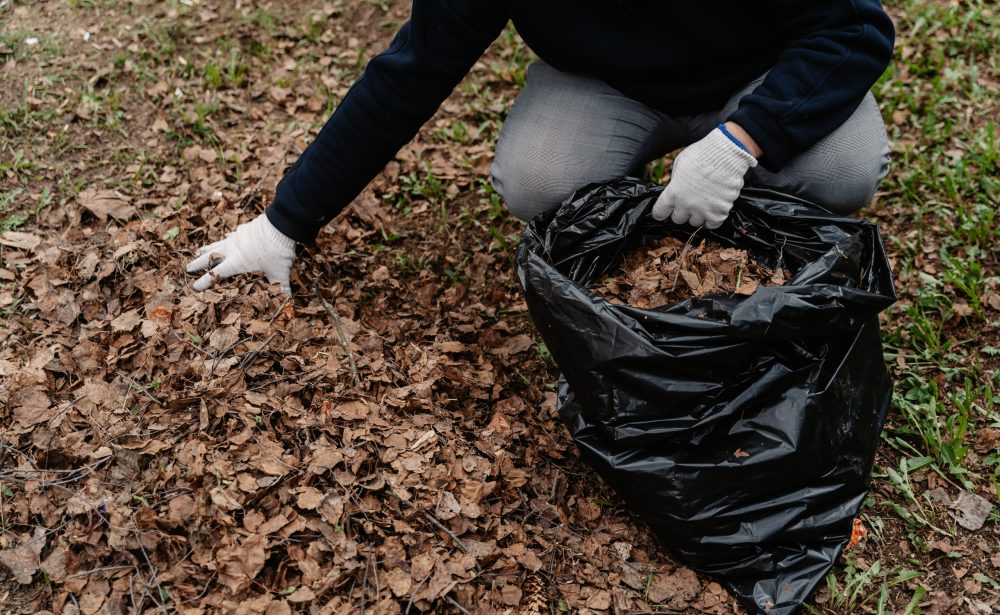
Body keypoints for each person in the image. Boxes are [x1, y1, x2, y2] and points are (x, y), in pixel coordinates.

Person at [186, 0, 895, 294]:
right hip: (610, 85)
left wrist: (742, 140)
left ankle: (739, 228)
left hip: (757, 77)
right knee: (536, 178)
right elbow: (414, 70)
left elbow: (856, 30)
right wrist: (282, 224)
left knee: (844, 166)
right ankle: (654, 217)